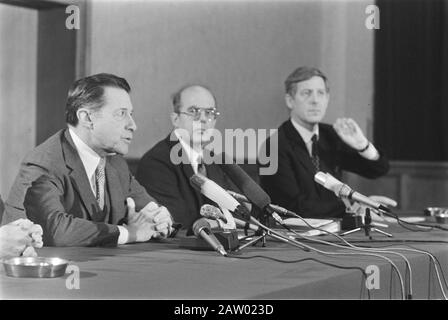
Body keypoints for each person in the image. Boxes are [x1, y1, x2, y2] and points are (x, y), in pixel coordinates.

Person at [2, 73, 173, 246]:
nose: (133, 125)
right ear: (87, 118)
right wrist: (130, 233)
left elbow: (149, 210)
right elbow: (55, 231)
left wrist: (160, 220)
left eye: (131, 114)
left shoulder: (116, 163)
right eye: (121, 114)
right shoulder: (44, 163)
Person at [260, 66, 389, 218]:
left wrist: (363, 146)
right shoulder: (272, 147)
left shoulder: (331, 135)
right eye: (306, 93)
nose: (315, 100)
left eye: (320, 93)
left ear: (327, 99)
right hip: (294, 235)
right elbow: (290, 206)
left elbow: (378, 170)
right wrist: (352, 205)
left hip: (338, 232)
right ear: (290, 100)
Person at [136, 85, 240, 233]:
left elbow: (238, 213)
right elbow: (177, 222)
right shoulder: (156, 163)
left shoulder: (216, 163)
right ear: (175, 119)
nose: (203, 119)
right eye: (193, 111)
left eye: (209, 112)